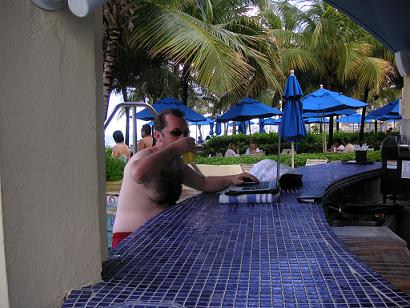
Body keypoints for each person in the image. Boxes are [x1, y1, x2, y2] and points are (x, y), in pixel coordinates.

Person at [112, 109, 258, 248]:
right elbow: (139, 174)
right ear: (158, 136)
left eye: (185, 133)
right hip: (131, 241)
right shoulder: (143, 157)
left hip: (161, 238)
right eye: (176, 133)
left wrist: (232, 178)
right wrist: (176, 148)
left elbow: (203, 182)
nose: (183, 138)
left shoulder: (175, 163)